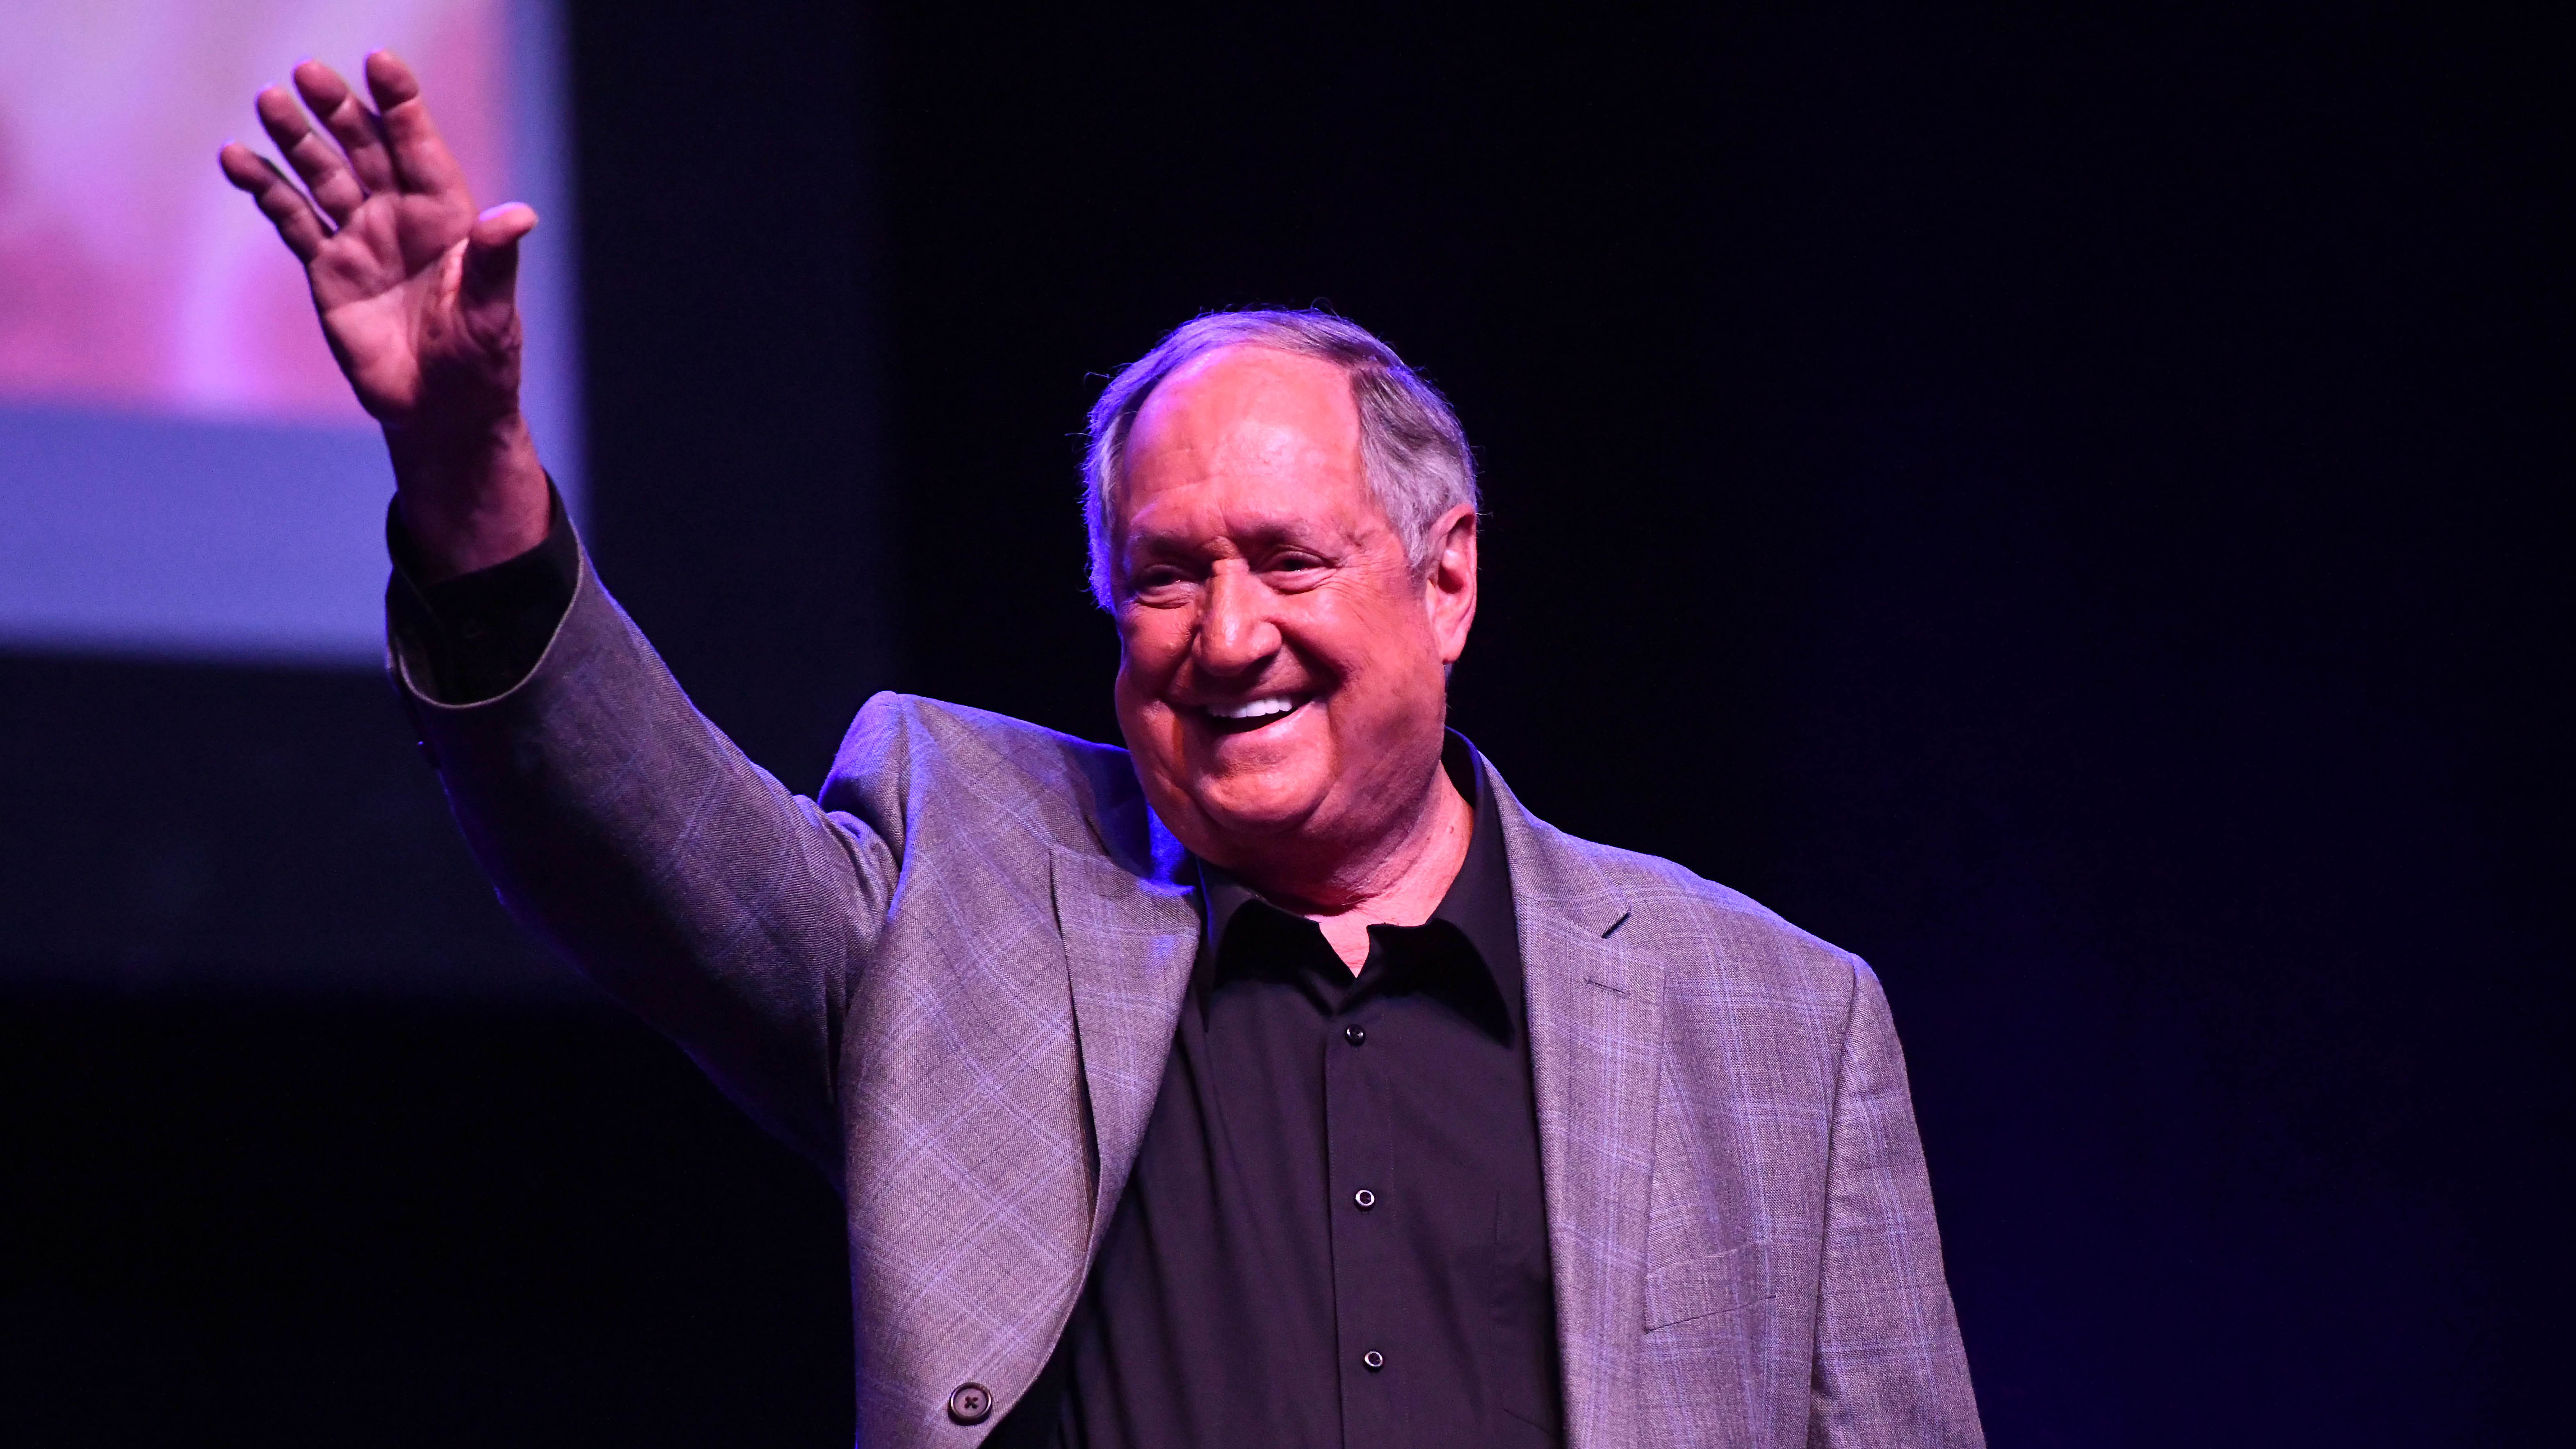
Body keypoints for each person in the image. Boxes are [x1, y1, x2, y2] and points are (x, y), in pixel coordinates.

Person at [221, 52, 1984, 1449]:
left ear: (1445, 580)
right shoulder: (963, 889)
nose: (1227, 637)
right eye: (1163, 575)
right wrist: (468, 468)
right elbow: (638, 840)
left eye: (1288, 560)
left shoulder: (1769, 1021)